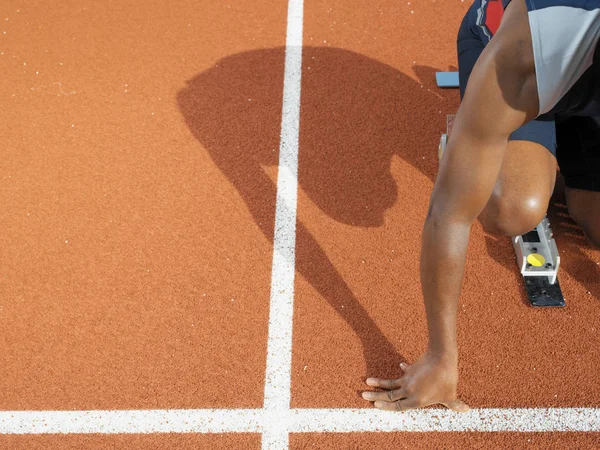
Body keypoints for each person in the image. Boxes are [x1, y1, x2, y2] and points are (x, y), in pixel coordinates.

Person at [362, 0, 600, 411]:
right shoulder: (522, 52)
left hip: (575, 74)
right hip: (530, 61)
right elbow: (449, 215)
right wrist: (440, 357)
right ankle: (471, 139)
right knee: (513, 208)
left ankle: (555, 148)